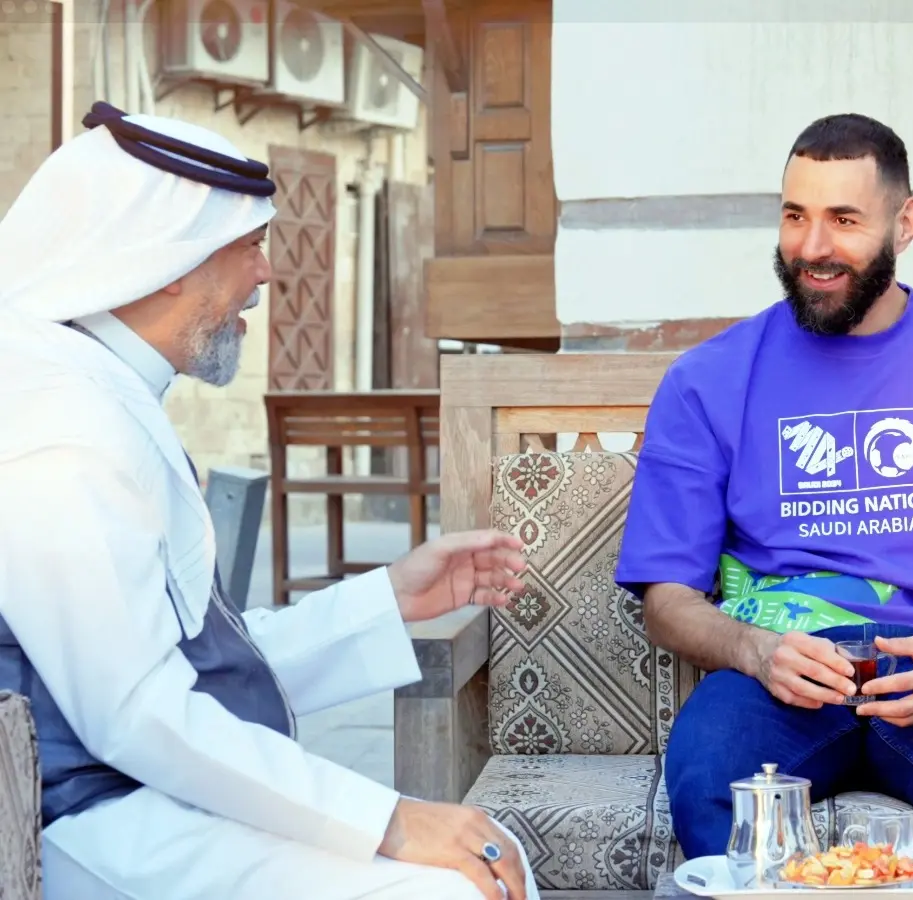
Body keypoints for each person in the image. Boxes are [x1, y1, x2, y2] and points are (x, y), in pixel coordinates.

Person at [0, 103, 537, 900]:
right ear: (170, 261)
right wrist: (388, 820)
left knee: (487, 860)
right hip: (87, 824)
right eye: (249, 246)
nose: (266, 274)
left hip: (148, 791)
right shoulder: (61, 430)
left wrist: (390, 599)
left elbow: (195, 668)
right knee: (455, 886)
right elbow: (138, 713)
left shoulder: (99, 389)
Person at [613, 113, 913, 858]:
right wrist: (756, 651)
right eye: (795, 216)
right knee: (709, 783)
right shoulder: (709, 378)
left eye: (845, 219)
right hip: (780, 674)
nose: (812, 246)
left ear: (905, 223)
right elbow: (667, 600)